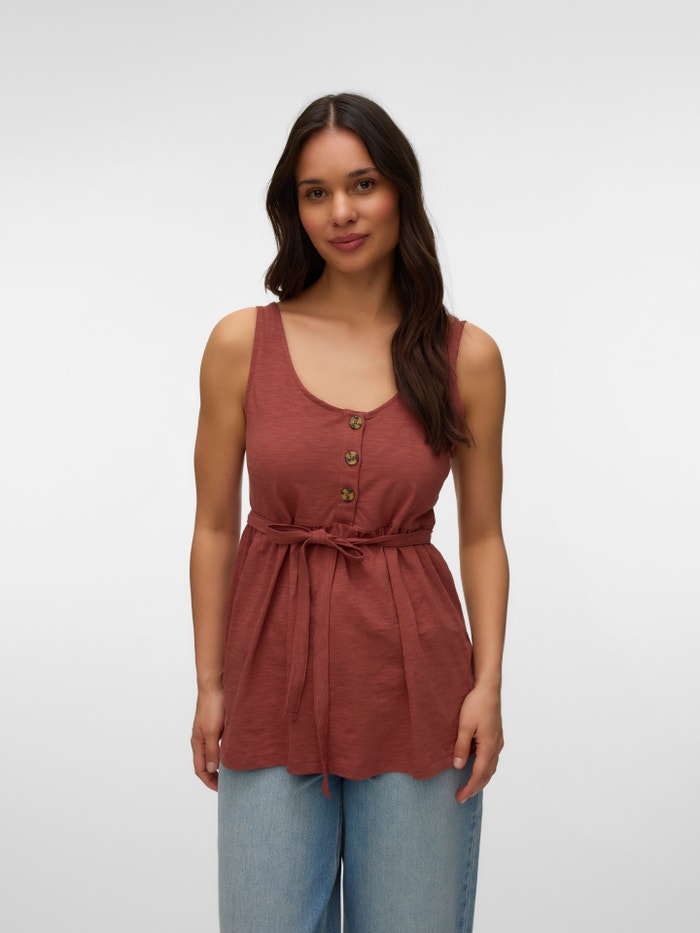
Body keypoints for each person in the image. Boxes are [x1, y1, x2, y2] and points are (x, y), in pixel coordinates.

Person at [189, 92, 508, 933]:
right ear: (293, 209)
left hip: (419, 694)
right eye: (316, 192)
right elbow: (214, 526)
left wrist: (487, 685)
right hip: (269, 684)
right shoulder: (240, 344)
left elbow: (482, 534)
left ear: (400, 188)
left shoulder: (466, 357)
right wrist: (212, 684)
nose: (342, 212)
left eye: (362, 184)